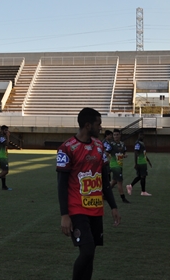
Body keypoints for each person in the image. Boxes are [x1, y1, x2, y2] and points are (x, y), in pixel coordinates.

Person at [57, 107, 120, 280]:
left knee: (91, 255)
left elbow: (105, 181)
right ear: (87, 125)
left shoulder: (99, 147)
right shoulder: (67, 148)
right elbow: (61, 185)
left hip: (96, 209)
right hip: (77, 209)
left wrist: (113, 206)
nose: (101, 127)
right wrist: (64, 215)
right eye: (98, 124)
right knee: (87, 251)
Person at [105, 129, 129, 203]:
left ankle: (104, 195)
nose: (116, 136)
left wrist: (125, 155)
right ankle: (123, 198)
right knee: (120, 182)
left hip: (120, 165)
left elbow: (124, 152)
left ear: (120, 135)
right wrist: (107, 158)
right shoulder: (111, 144)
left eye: (117, 135)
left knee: (114, 181)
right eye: (114, 135)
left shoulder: (122, 144)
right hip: (114, 165)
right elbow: (106, 152)